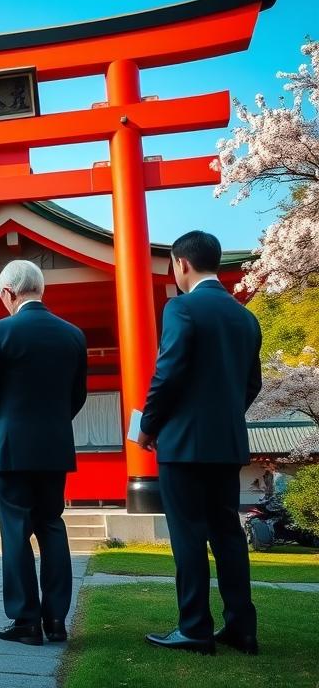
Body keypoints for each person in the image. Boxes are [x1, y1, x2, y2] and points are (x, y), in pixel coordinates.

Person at [138, 231, 262, 656]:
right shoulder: (246, 318)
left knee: (188, 536)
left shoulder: (181, 307)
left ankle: (194, 628)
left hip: (184, 445)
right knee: (227, 533)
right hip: (226, 443)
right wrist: (224, 416)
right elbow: (252, 384)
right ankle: (242, 628)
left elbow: (167, 374)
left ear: (181, 264)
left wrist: (149, 427)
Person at [0, 259, 87, 647]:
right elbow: (77, 396)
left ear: (8, 293)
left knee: (16, 533)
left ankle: (26, 621)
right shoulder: (73, 335)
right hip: (54, 448)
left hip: (10, 447)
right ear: (41, 289)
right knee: (52, 526)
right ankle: (56, 619)